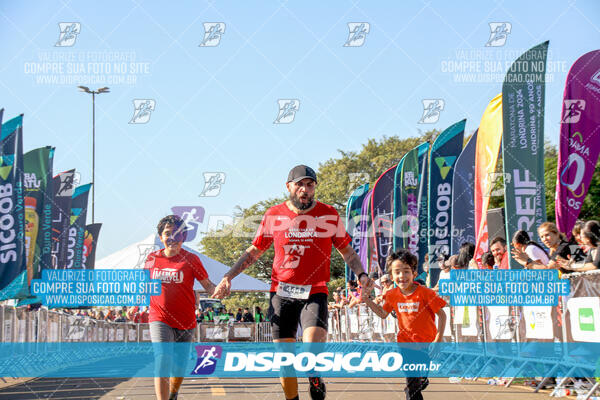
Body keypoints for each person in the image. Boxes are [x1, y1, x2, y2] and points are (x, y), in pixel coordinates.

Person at [212, 165, 373, 400]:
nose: (305, 190)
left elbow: (347, 253)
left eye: (310, 185)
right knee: (285, 359)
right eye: (300, 185)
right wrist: (228, 276)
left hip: (314, 292)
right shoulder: (273, 215)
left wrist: (362, 275)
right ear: (289, 186)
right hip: (282, 293)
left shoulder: (328, 214)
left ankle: (315, 378)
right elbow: (253, 253)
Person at [146, 215, 216, 400]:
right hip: (159, 317)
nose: (172, 238)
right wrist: (135, 303)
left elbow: (207, 284)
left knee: (179, 366)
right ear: (161, 237)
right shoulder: (152, 259)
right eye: (167, 233)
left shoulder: (191, 259)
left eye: (177, 233)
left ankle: (174, 392)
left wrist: (217, 290)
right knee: (162, 359)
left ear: (183, 237)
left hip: (185, 320)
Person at [361, 249, 446, 400]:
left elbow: (442, 314)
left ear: (414, 273)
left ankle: (421, 380)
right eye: (397, 272)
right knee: (412, 383)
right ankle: (413, 390)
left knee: (419, 379)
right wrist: (367, 300)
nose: (402, 276)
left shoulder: (426, 293)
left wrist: (438, 340)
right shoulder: (392, 294)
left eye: (406, 271)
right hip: (406, 344)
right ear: (392, 276)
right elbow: (382, 313)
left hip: (426, 343)